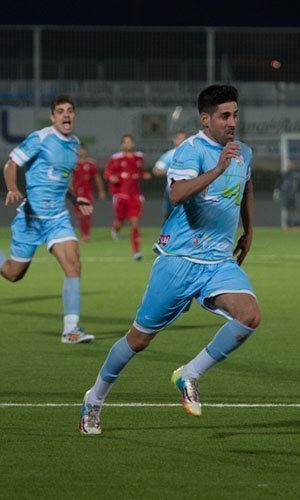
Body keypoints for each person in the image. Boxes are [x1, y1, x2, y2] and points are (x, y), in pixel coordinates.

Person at [79, 84, 260, 434]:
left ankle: (189, 373)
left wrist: (249, 230)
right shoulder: (190, 151)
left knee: (249, 316)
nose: (232, 122)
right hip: (178, 260)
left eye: (235, 114)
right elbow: (176, 194)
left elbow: (247, 186)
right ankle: (94, 400)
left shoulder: (243, 153)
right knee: (138, 340)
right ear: (205, 120)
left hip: (218, 263)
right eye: (224, 116)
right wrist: (218, 170)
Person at [0, 95, 96, 344]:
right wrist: (13, 188)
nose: (66, 115)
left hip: (57, 218)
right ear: (53, 117)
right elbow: (11, 164)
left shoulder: (74, 144)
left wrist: (74, 198)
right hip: (31, 218)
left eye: (70, 111)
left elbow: (60, 177)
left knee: (74, 265)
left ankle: (71, 329)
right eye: (60, 111)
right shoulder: (41, 138)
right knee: (13, 273)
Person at [105, 135, 150, 260]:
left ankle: (136, 252)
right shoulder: (116, 158)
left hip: (135, 196)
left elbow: (139, 171)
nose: (128, 144)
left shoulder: (139, 157)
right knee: (120, 220)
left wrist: (144, 174)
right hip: (120, 196)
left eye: (130, 142)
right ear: (122, 145)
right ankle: (116, 229)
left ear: (133, 144)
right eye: (125, 142)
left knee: (135, 222)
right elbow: (107, 172)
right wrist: (111, 177)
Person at [72, 144, 106, 242]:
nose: (80, 152)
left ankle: (86, 234)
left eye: (82, 150)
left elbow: (97, 178)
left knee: (86, 213)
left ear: (85, 151)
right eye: (78, 150)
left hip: (88, 193)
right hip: (76, 193)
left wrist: (101, 191)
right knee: (79, 215)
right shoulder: (73, 164)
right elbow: (70, 179)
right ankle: (83, 233)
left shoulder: (91, 163)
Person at [153, 130, 187, 221]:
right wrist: (171, 171)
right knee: (169, 218)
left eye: (184, 139)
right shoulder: (169, 155)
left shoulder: (193, 154)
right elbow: (156, 170)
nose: (182, 141)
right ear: (174, 140)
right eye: (179, 139)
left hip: (188, 192)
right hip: (172, 192)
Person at [273, 160, 300, 230]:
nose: (290, 166)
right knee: (287, 209)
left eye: (291, 165)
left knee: (296, 209)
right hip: (286, 195)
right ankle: (287, 225)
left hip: (295, 195)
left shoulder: (298, 175)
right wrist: (276, 191)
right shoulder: (284, 174)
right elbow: (278, 183)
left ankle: (297, 225)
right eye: (289, 165)